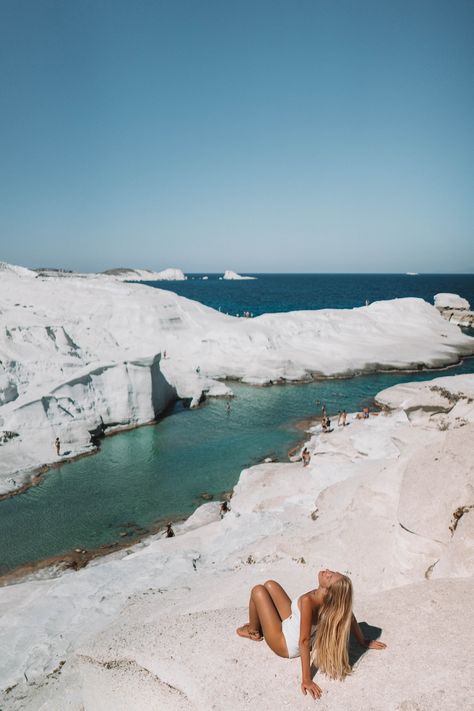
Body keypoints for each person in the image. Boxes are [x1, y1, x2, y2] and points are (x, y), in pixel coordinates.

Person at [236, 569, 386, 700]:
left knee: (258, 591)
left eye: (330, 576)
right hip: (291, 622)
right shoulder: (333, 603)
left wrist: (306, 679)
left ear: (329, 589)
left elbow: (304, 641)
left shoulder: (309, 601)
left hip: (284, 642)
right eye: (331, 572)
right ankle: (259, 624)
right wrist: (363, 641)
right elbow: (350, 616)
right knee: (270, 584)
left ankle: (253, 630)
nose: (327, 571)